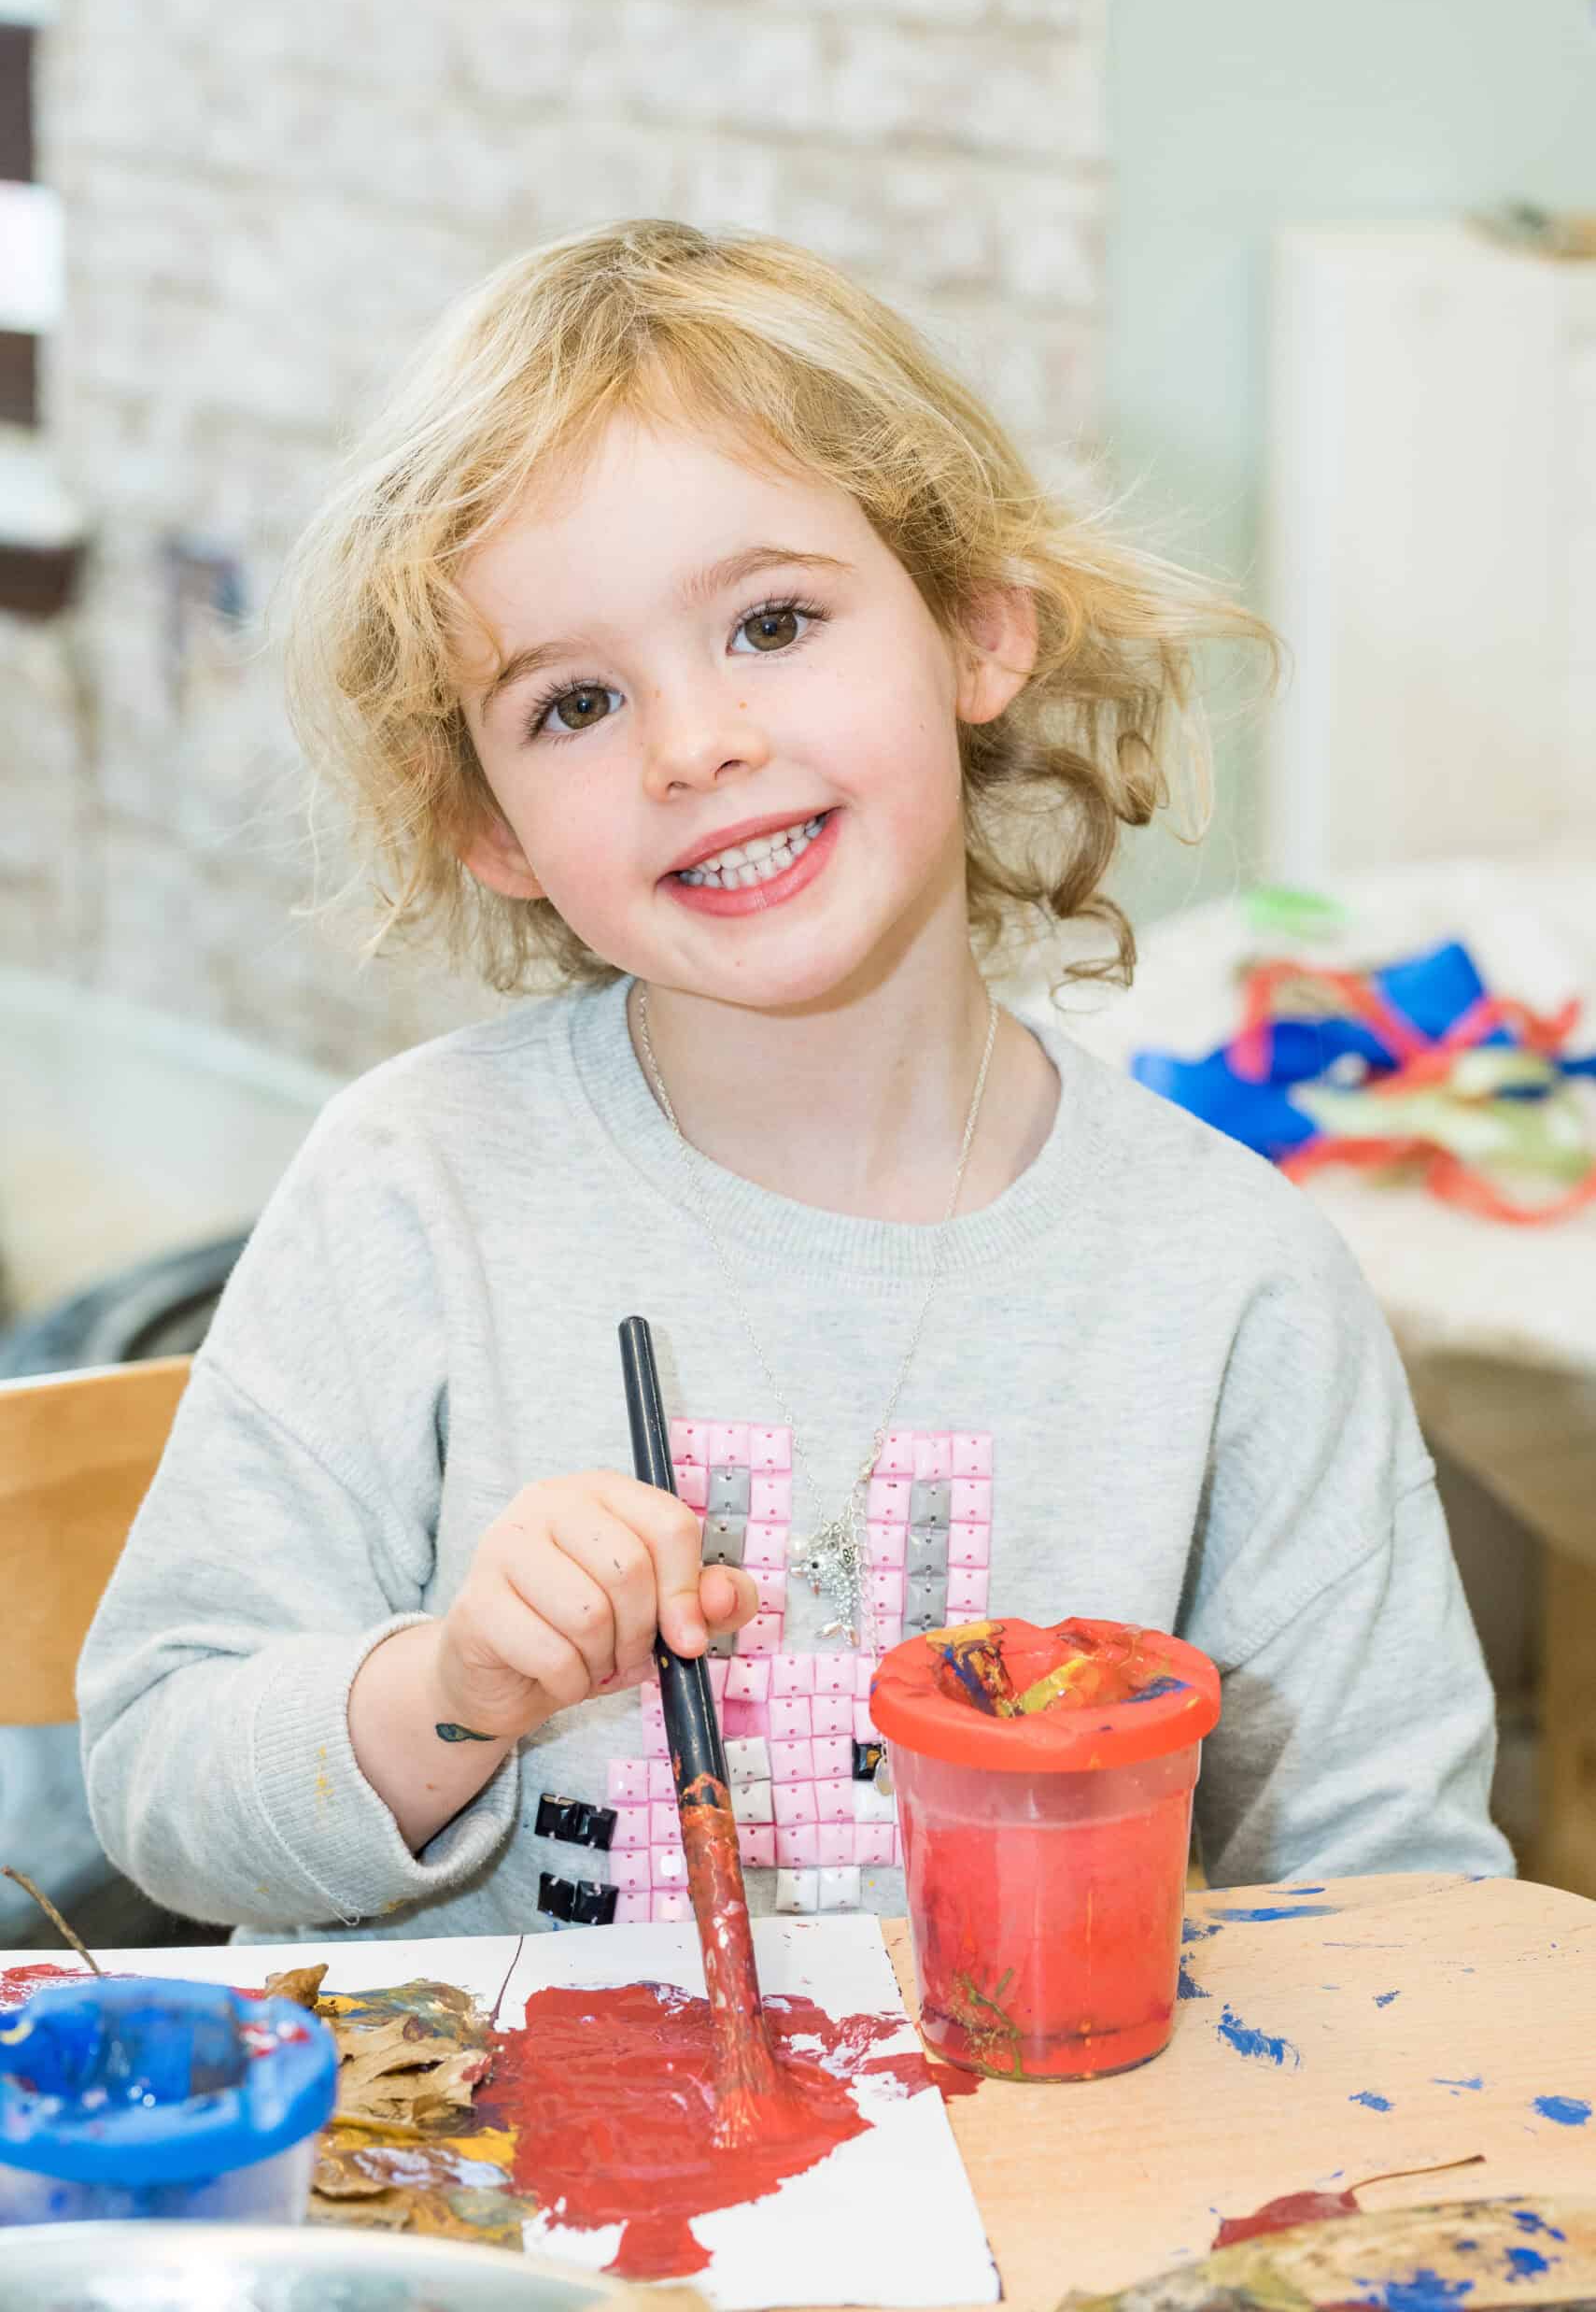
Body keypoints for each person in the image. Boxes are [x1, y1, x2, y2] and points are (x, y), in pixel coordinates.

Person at [78, 220, 1510, 1946]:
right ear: (488, 826)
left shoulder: (1228, 1276)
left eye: (770, 622)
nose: (695, 745)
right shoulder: (415, 1183)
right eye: (577, 701)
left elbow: (1401, 1898)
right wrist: (450, 1687)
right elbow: (162, 1783)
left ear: (977, 633)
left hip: (1013, 2174)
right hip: (468, 2196)